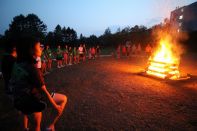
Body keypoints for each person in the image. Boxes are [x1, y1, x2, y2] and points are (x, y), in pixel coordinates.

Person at [10, 36, 67, 131]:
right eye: (38, 46)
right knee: (63, 99)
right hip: (30, 101)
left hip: (19, 100)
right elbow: (43, 91)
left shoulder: (17, 64)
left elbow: (14, 82)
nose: (41, 48)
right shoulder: (32, 68)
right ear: (31, 49)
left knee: (35, 120)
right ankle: (50, 126)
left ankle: (26, 127)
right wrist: (56, 107)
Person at [1, 42, 29, 131]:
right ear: (14, 50)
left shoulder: (4, 58)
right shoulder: (13, 61)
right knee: (23, 105)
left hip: (7, 86)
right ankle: (25, 126)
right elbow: (22, 74)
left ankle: (17, 109)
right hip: (14, 87)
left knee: (14, 100)